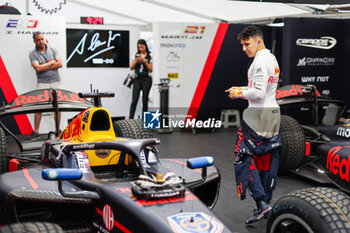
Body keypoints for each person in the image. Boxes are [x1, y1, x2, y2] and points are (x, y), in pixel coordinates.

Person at [225, 26, 282, 224]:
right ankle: (264, 203)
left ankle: (262, 202)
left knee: (242, 158)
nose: (244, 48)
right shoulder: (271, 58)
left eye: (246, 44)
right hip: (272, 114)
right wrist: (241, 88)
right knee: (265, 158)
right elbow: (263, 90)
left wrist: (238, 93)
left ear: (258, 41)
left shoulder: (259, 62)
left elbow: (257, 93)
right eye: (242, 44)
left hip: (257, 117)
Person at [29, 31, 62, 138]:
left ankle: (57, 130)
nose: (41, 41)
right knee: (39, 107)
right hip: (42, 83)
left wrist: (44, 66)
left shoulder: (53, 49)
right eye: (38, 40)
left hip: (56, 81)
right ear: (34, 41)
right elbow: (37, 68)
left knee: (58, 106)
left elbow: (60, 63)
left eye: (42, 39)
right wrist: (51, 63)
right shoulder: (33, 53)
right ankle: (36, 131)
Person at [129, 39, 153, 119]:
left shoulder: (150, 56)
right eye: (139, 47)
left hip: (146, 79)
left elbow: (151, 69)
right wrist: (136, 60)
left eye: (142, 47)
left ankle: (144, 119)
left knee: (145, 100)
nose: (141, 49)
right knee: (134, 100)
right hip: (137, 80)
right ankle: (130, 118)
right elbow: (131, 67)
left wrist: (145, 61)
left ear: (145, 46)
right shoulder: (136, 55)